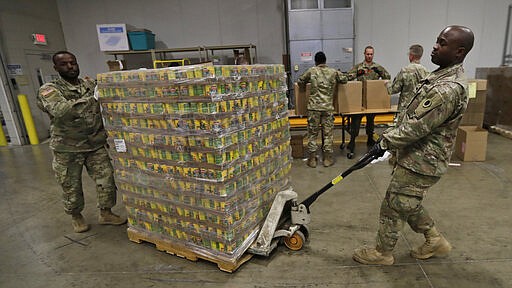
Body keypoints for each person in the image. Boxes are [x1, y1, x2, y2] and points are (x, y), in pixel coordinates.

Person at [352, 25, 474, 265]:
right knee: (406, 201)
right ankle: (435, 240)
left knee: (393, 203)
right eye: (436, 41)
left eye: (442, 43)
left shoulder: (448, 88)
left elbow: (417, 127)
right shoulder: (439, 75)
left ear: (459, 52)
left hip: (423, 160)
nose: (435, 46)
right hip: (416, 154)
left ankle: (381, 253)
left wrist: (385, 142)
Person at [37, 51, 126, 233]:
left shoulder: (88, 84)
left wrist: (115, 75)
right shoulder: (49, 89)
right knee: (71, 185)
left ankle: (106, 212)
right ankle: (76, 216)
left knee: (106, 179)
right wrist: (92, 99)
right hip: (68, 147)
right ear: (56, 68)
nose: (70, 67)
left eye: (73, 62)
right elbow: (62, 110)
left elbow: (107, 93)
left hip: (94, 143)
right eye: (64, 64)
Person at [298, 51, 347, 168]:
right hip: (327, 108)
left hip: (314, 108)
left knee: (312, 134)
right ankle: (327, 159)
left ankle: (312, 159)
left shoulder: (312, 71)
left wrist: (304, 86)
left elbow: (300, 80)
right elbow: (345, 79)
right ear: (325, 61)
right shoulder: (333, 72)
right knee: (328, 134)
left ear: (316, 61)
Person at [387, 44, 430, 165]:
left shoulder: (405, 70)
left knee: (400, 133)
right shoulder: (427, 72)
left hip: (405, 110)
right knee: (415, 133)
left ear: (411, 55)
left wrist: (387, 84)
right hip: (419, 110)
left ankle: (396, 157)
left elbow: (393, 90)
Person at [347, 46, 391, 152]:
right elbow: (348, 77)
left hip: (372, 100)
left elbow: (388, 77)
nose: (369, 56)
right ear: (364, 54)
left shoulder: (377, 67)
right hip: (360, 99)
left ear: (373, 55)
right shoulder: (358, 67)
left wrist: (381, 75)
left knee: (370, 121)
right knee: (356, 121)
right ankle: (352, 140)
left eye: (371, 54)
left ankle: (370, 139)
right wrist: (357, 74)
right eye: (368, 54)